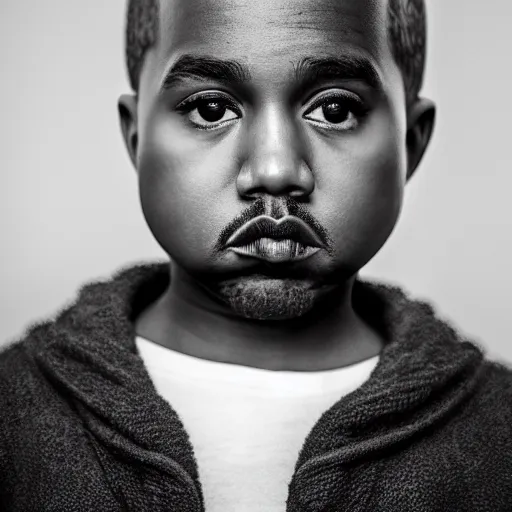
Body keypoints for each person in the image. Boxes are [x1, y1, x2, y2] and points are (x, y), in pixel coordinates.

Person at [1, 0, 511, 510]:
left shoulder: (499, 435)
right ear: (136, 137)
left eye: (335, 110)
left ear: (411, 142)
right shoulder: (12, 416)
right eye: (210, 109)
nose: (274, 169)